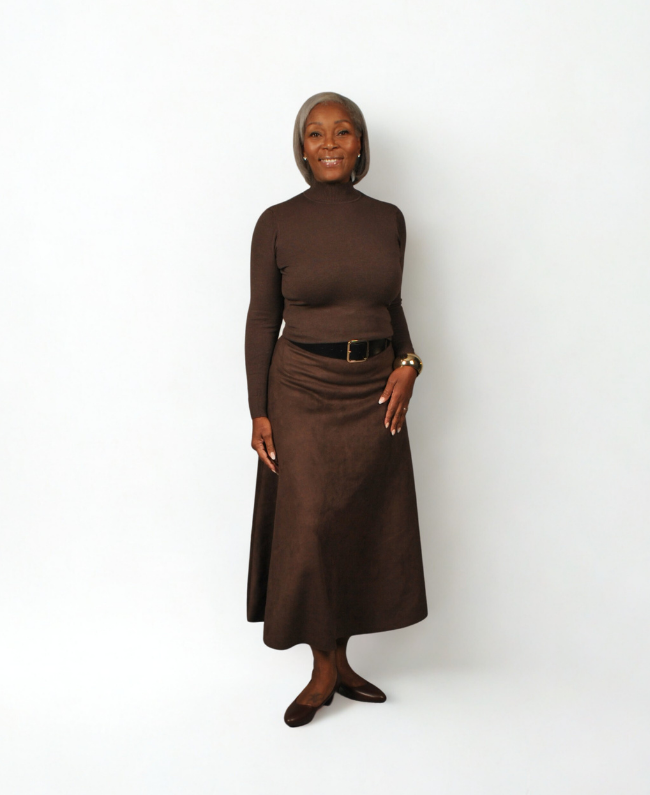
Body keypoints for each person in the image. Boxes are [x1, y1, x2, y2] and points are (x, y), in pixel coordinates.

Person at [244, 91, 428, 728]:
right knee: (312, 527)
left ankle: (341, 661)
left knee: (358, 524)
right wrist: (258, 410)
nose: (329, 143)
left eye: (342, 131)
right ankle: (323, 669)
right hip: (300, 391)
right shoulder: (276, 222)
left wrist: (409, 364)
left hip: (374, 390)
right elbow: (262, 319)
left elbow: (392, 305)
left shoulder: (388, 219)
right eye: (316, 133)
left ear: (360, 144)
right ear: (302, 148)